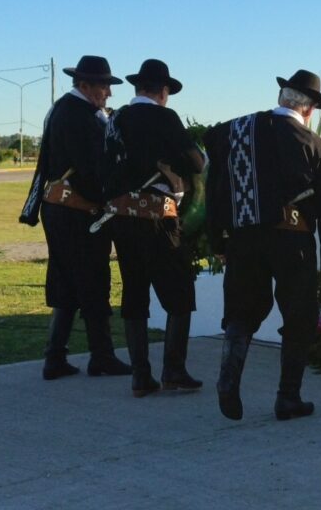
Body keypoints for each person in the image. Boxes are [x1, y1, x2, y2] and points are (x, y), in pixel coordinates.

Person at [204, 69, 321, 421]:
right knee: (299, 315)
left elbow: (215, 186)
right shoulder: (311, 143)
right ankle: (288, 398)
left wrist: (217, 235)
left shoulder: (232, 132)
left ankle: (228, 381)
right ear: (309, 109)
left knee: (241, 312)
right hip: (291, 239)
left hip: (243, 237)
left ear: (282, 98)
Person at [19, 55, 131, 380]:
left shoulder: (68, 110)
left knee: (67, 281)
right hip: (76, 212)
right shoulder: (77, 116)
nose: (108, 93)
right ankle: (101, 356)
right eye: (103, 87)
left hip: (61, 210)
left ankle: (55, 358)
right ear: (85, 85)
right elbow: (90, 168)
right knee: (94, 281)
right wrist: (106, 199)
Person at [103, 59, 206, 397]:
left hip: (121, 214)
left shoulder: (116, 118)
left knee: (134, 291)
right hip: (157, 215)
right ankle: (173, 370)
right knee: (179, 294)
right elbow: (196, 162)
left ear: (137, 88)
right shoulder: (164, 117)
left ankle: (140, 376)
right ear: (163, 91)